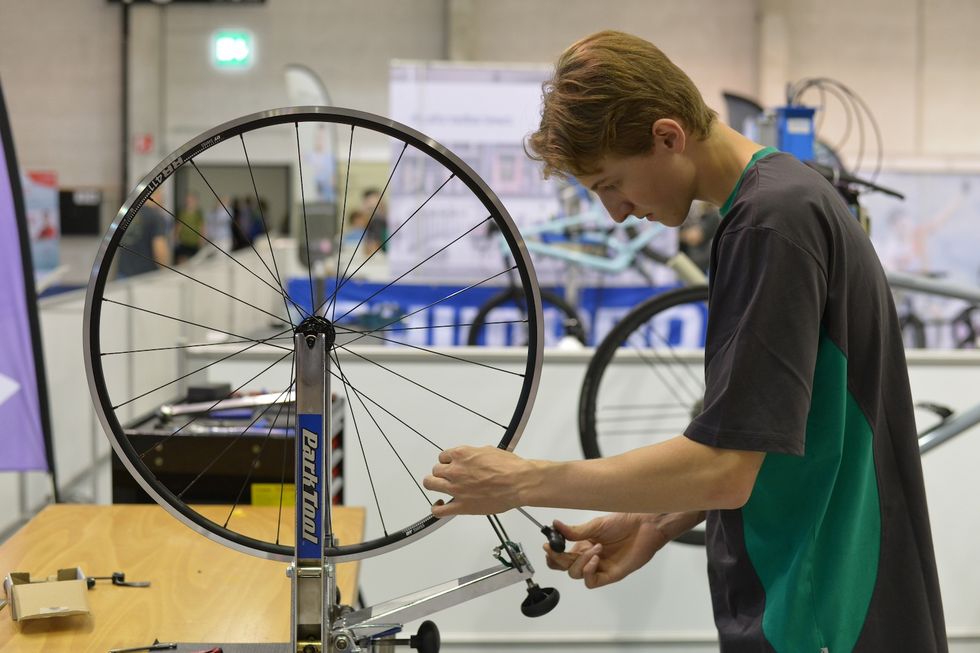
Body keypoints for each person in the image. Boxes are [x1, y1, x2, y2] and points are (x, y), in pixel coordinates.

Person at [423, 30, 947, 652]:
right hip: (817, 597)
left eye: (611, 183)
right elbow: (773, 433)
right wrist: (658, 517)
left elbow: (725, 468)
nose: (616, 211)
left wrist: (524, 481)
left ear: (668, 137)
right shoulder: (777, 204)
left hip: (822, 613)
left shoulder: (771, 224)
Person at [117, 187, 170, 277]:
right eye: (162, 194)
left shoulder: (127, 215)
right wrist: (166, 273)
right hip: (145, 277)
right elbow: (159, 248)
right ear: (157, 195)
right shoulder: (156, 217)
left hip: (123, 274)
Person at [173, 192, 204, 263]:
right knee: (182, 260)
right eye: (187, 200)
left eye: (190, 199)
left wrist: (201, 239)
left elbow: (202, 226)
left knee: (195, 261)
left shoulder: (198, 212)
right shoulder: (182, 212)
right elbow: (179, 225)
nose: (188, 201)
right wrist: (176, 236)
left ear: (195, 200)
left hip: (194, 241)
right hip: (183, 240)